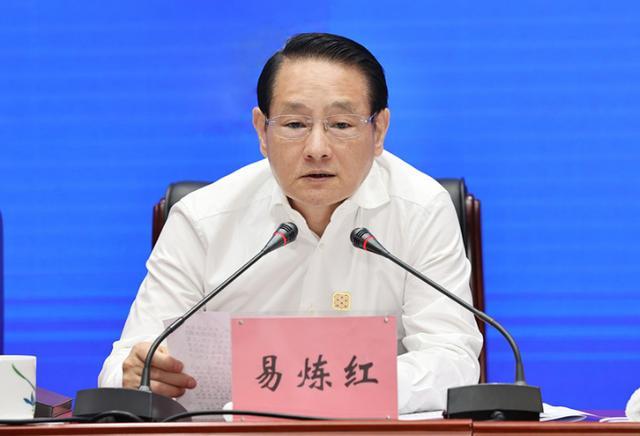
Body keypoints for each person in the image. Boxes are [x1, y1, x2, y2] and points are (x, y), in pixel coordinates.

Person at [99, 32, 482, 413]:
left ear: (379, 129)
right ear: (261, 130)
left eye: (341, 125)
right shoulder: (202, 220)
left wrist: (320, 391)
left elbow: (451, 359)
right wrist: (138, 375)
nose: (317, 149)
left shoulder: (421, 210)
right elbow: (123, 366)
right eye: (295, 124)